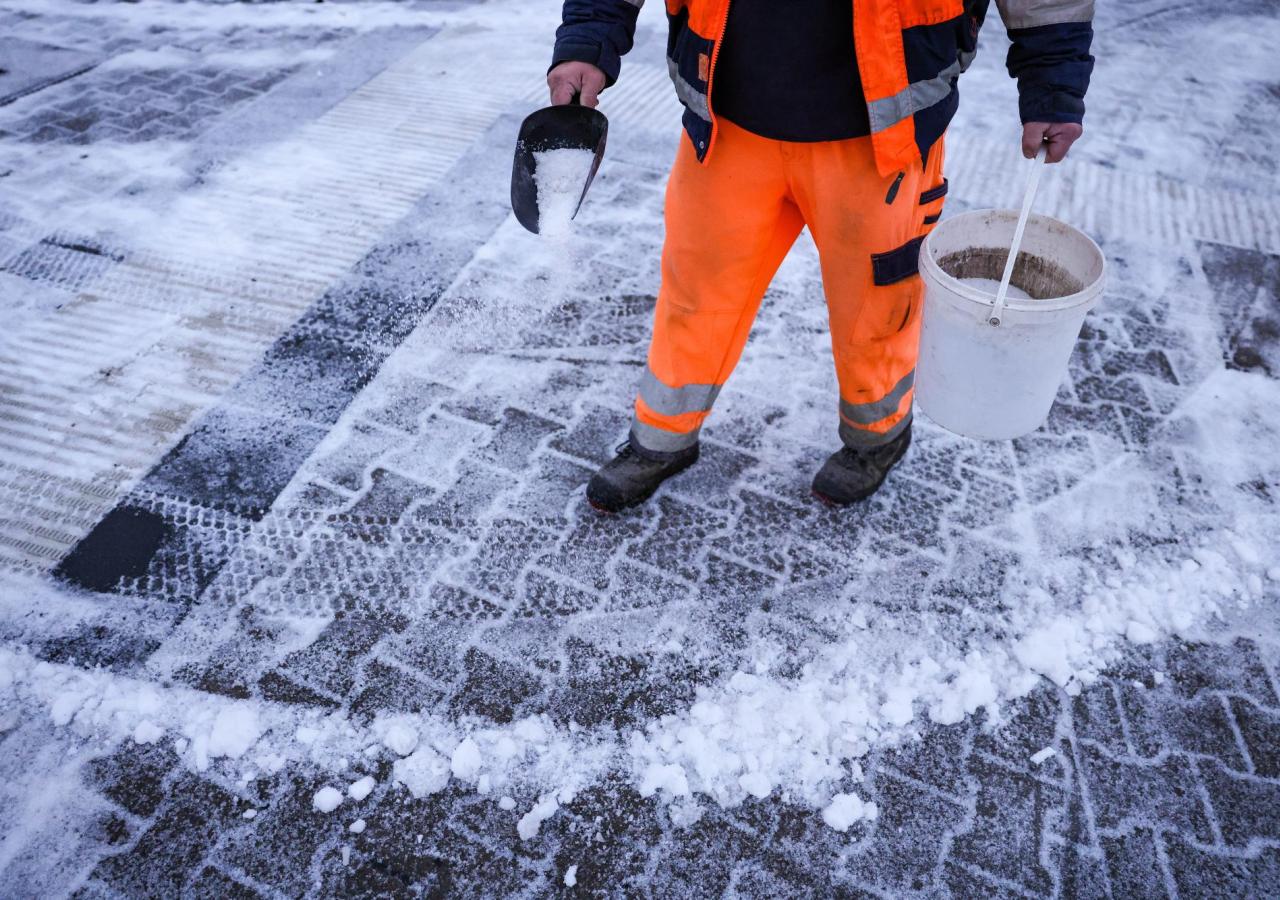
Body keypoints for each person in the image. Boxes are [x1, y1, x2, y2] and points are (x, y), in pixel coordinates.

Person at [547, 0, 1094, 512]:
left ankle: (876, 437)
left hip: (879, 137)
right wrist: (588, 40)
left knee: (876, 310)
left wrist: (1054, 83)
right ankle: (661, 438)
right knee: (696, 292)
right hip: (728, 123)